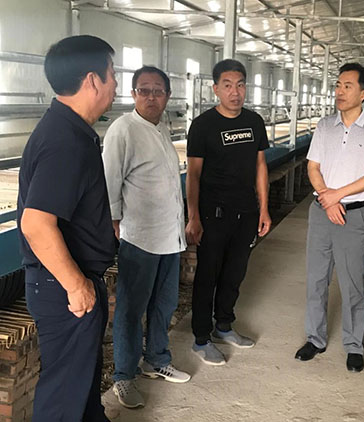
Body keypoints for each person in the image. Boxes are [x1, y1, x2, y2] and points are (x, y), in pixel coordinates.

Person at [17, 35, 117, 422]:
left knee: (81, 387)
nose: (115, 84)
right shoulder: (65, 141)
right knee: (63, 398)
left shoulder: (69, 131)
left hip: (70, 281)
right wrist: (76, 286)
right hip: (64, 287)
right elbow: (36, 224)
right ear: (92, 80)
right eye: (112, 74)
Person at [294, 63, 364, 372]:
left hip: (353, 215)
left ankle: (354, 345)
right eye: (338, 85)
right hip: (322, 212)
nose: (339, 91)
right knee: (316, 278)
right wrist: (327, 198)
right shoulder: (325, 125)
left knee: (352, 283)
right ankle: (315, 338)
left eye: (347, 86)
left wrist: (337, 195)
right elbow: (313, 167)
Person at [102, 66, 191, 408]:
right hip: (140, 237)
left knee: (164, 303)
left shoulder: (161, 128)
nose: (151, 97)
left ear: (167, 96)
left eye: (158, 91)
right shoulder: (124, 129)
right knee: (130, 309)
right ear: (133, 94)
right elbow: (110, 180)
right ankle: (124, 376)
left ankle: (156, 359)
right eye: (144, 90)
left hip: (169, 236)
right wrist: (114, 223)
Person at [186, 59, 271, 365]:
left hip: (246, 211)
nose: (235, 92)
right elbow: (193, 175)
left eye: (240, 85)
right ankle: (200, 338)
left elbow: (260, 165)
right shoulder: (203, 125)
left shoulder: (254, 121)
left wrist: (264, 208)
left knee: (235, 273)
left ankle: (224, 325)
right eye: (227, 85)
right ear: (215, 89)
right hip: (214, 213)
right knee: (208, 275)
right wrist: (194, 216)